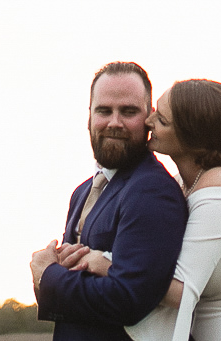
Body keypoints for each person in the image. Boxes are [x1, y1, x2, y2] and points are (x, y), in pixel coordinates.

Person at [56, 79, 221, 341]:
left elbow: (181, 291)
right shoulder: (182, 182)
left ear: (192, 138)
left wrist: (104, 262)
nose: (149, 121)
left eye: (163, 121)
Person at [32, 62, 188, 341]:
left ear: (149, 119)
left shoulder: (153, 191)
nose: (114, 122)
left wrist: (48, 275)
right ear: (89, 117)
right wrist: (53, 272)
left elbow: (128, 298)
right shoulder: (82, 192)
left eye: (128, 111)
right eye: (104, 111)